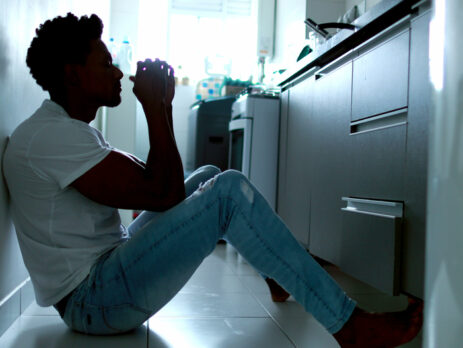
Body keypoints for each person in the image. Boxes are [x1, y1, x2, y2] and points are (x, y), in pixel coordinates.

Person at [2, 13, 422, 347]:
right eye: (105, 63)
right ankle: (348, 325)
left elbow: (156, 187)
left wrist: (159, 106)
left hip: (107, 274)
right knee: (227, 192)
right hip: (95, 302)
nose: (117, 73)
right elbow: (161, 193)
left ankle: (276, 268)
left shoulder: (65, 129)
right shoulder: (51, 137)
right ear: (73, 74)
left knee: (208, 176)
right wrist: (157, 107)